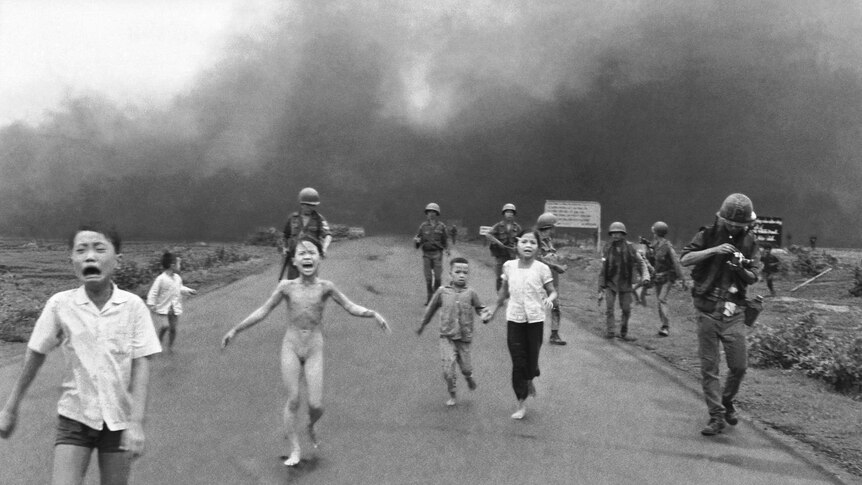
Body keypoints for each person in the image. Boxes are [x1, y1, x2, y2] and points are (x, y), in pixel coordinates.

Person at [0, 225, 162, 485]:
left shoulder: (133, 307)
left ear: (117, 261)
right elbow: (35, 354)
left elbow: (142, 363)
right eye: (81, 250)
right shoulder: (60, 305)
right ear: (72, 262)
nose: (90, 256)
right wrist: (10, 408)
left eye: (99, 249)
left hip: (118, 421)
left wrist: (136, 422)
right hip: (75, 417)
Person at [221, 237, 390, 467]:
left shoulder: (326, 287)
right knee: (293, 400)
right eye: (302, 253)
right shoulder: (286, 287)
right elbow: (263, 310)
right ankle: (295, 449)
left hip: (314, 347)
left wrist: (373, 313)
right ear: (294, 261)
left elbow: (350, 306)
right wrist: (235, 329)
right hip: (291, 346)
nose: (307, 256)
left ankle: (310, 425)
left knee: (316, 405)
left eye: (312, 252)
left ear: (320, 259)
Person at [680, 193, 761, 436]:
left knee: (739, 366)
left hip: (734, 311)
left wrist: (740, 269)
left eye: (740, 225)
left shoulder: (750, 242)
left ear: (747, 224)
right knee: (709, 366)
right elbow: (685, 258)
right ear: (722, 217)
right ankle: (716, 416)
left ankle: (726, 401)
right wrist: (714, 250)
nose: (735, 227)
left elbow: (755, 275)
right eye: (731, 223)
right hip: (707, 309)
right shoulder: (706, 234)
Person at [485, 231, 557, 420]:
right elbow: (503, 293)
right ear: (517, 245)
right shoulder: (509, 266)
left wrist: (550, 299)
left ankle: (530, 376)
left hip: (535, 320)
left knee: (531, 362)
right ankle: (521, 403)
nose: (528, 245)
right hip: (514, 319)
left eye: (532, 242)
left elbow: (552, 291)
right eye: (524, 241)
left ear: (538, 247)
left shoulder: (542, 269)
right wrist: (493, 310)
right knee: (518, 361)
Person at [417, 257, 489, 406]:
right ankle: (453, 393)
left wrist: (484, 315)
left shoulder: (471, 293)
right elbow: (430, 309)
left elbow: (480, 308)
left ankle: (468, 377)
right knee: (448, 370)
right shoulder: (442, 292)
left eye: (465, 272)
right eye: (458, 272)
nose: (462, 275)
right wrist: (423, 324)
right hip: (447, 337)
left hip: (464, 338)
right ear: (450, 274)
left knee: (466, 368)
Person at [598, 222, 650, 341]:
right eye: (613, 233)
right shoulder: (607, 248)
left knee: (626, 309)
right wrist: (600, 286)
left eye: (618, 233)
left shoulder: (630, 248)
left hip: (625, 283)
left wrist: (646, 277)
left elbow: (641, 263)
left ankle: (623, 332)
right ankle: (610, 331)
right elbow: (603, 267)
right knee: (609, 308)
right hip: (611, 283)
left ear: (623, 234)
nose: (615, 235)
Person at [146, 251, 197, 352]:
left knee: (173, 329)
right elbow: (153, 292)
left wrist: (189, 291)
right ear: (172, 266)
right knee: (165, 326)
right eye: (179, 264)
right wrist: (151, 305)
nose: (180, 266)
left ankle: (170, 346)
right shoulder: (161, 279)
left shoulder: (177, 278)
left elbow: (180, 288)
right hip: (164, 308)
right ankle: (158, 342)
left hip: (174, 308)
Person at [279, 187, 332, 280]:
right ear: (302, 204)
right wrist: (285, 248)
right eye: (307, 205)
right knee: (293, 285)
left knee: (310, 284)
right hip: (294, 258)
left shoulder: (319, 219)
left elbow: (328, 235)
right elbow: (285, 236)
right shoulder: (292, 218)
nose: (310, 208)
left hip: (310, 259)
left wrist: (324, 248)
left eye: (312, 205)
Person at [648, 221, 689, 336]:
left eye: (654, 232)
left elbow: (676, 262)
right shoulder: (654, 245)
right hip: (658, 277)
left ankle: (666, 326)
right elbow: (652, 261)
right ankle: (663, 325)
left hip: (668, 277)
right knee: (659, 301)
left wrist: (682, 279)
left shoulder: (667, 246)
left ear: (656, 232)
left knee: (662, 299)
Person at [535, 212, 569, 345]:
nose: (553, 230)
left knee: (556, 306)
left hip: (552, 279)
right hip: (539, 279)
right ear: (546, 227)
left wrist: (559, 263)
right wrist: (555, 266)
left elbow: (551, 256)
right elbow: (537, 259)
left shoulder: (548, 241)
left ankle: (554, 334)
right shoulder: (535, 240)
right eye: (551, 227)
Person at [414, 203, 450, 305]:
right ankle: (430, 298)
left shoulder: (441, 226)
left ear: (437, 213)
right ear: (426, 214)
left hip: (437, 253)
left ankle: (437, 298)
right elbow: (418, 240)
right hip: (426, 254)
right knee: (428, 277)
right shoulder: (423, 226)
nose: (431, 214)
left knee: (438, 277)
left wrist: (447, 249)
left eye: (433, 212)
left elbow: (445, 240)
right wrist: (417, 241)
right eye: (429, 212)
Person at [485, 203, 522, 292]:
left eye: (511, 212)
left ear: (514, 214)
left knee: (511, 277)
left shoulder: (517, 227)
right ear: (504, 214)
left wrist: (517, 246)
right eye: (507, 212)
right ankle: (499, 296)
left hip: (512, 256)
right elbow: (488, 234)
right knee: (499, 276)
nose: (509, 214)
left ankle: (510, 296)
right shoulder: (498, 226)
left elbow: (522, 239)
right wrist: (498, 242)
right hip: (500, 256)